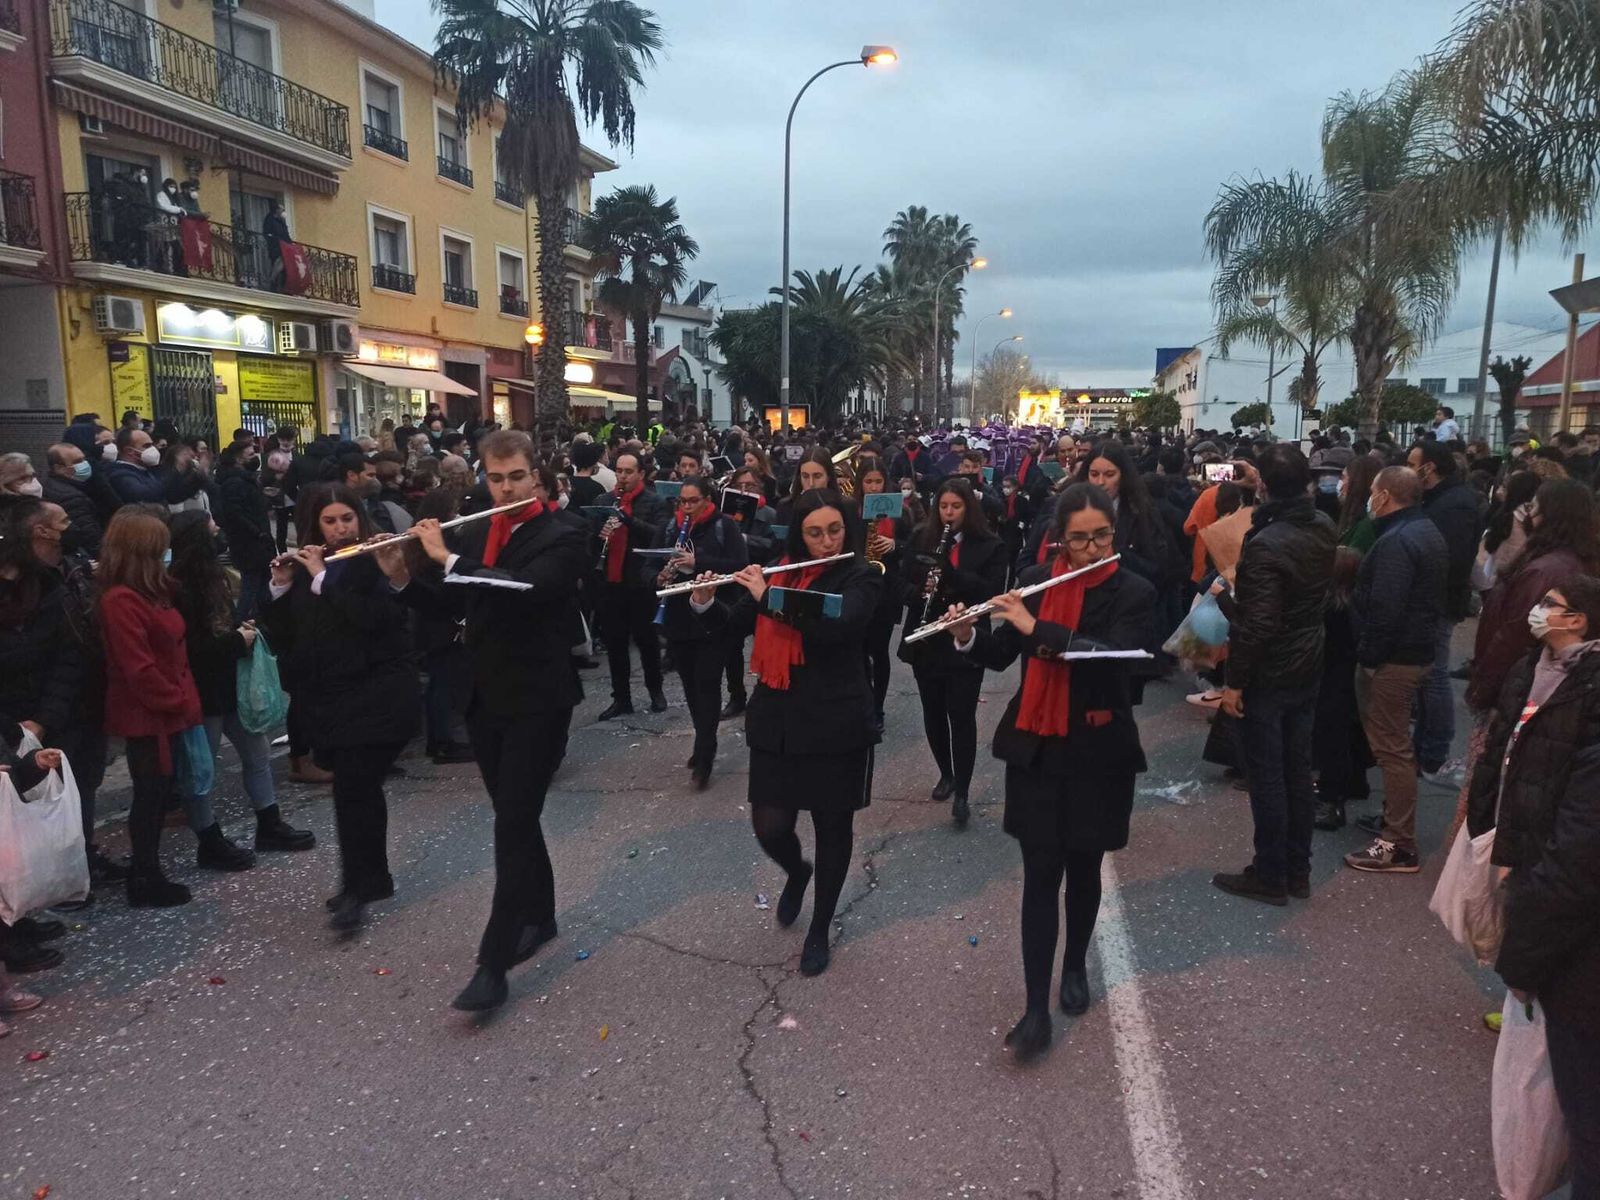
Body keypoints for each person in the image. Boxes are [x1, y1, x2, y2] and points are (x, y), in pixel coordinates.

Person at [378, 431, 590, 1012]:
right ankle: (541, 916)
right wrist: (403, 576)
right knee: (514, 817)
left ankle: (491, 964)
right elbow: (455, 606)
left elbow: (531, 589)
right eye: (495, 480)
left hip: (539, 699)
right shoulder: (478, 529)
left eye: (515, 478)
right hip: (486, 697)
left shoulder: (566, 533)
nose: (504, 489)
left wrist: (450, 559)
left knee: (512, 823)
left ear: (536, 478)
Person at [941, 483, 1154, 1059]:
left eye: (1101, 536)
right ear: (1059, 538)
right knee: (1040, 874)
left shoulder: (1134, 589)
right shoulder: (1037, 578)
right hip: (1037, 748)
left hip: (1098, 749)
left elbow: (1117, 667)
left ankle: (1076, 965)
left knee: (1083, 869)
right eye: (1078, 539)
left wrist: (1041, 632)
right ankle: (1036, 1007)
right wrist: (966, 635)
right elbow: (1002, 654)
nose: (1090, 549)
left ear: (1116, 533)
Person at [687, 489, 881, 977]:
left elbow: (839, 626)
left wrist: (768, 597)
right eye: (814, 532)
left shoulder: (860, 574)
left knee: (833, 828)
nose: (825, 540)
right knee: (770, 826)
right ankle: (797, 871)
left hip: (836, 720)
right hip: (778, 714)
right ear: (799, 533)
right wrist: (706, 602)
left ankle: (819, 929)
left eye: (834, 530)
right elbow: (736, 626)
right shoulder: (781, 567)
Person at [1472, 575, 1600, 1199]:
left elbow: (1578, 858)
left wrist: (1523, 959)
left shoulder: (1588, 692)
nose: (1538, 612)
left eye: (1550, 605)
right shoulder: (1536, 669)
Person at [263, 485, 420, 931]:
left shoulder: (373, 559)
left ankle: (356, 887)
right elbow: (290, 630)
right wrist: (281, 585)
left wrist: (320, 578)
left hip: (375, 695)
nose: (339, 529)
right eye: (330, 521)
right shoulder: (313, 564)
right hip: (330, 698)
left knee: (354, 791)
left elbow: (374, 620)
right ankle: (372, 880)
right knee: (358, 792)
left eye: (347, 519)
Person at [1212, 444, 1338, 905]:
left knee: (1269, 775)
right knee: (1297, 770)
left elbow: (1259, 624)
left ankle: (1270, 872)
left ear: (1265, 485)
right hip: (1308, 660)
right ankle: (1296, 869)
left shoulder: (1267, 541)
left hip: (1271, 670)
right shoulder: (1322, 525)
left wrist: (1235, 683)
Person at [167, 511, 314, 869]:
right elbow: (194, 646)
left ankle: (269, 821)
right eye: (212, 529)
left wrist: (239, 630)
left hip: (229, 685)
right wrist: (237, 640)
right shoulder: (180, 587)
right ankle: (209, 838)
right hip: (205, 690)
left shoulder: (211, 577)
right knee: (203, 770)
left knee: (257, 754)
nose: (220, 533)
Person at [98, 508, 204, 907]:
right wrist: (175, 700)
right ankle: (145, 874)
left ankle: (149, 870)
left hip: (163, 704)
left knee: (158, 792)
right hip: (147, 711)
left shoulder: (148, 592)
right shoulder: (121, 600)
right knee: (150, 792)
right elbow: (137, 666)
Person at [1344, 466, 1447, 873]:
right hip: (1412, 652)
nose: (1369, 497)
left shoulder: (1397, 541)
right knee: (1393, 745)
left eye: (1372, 491)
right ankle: (1393, 822)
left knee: (1391, 747)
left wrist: (1369, 658)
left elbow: (1385, 609)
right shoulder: (1423, 530)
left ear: (1384, 496)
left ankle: (1398, 841)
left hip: (1394, 659)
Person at [896, 478, 1007, 824]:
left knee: (961, 715)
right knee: (932, 709)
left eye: (955, 507)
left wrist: (951, 576)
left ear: (967, 509)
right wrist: (921, 590)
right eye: (943, 507)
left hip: (965, 638)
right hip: (927, 637)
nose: (948, 513)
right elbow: (900, 583)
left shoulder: (989, 544)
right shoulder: (920, 538)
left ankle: (963, 791)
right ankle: (946, 772)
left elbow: (991, 591)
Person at [656, 476, 748, 789]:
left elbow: (739, 565)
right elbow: (648, 564)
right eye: (683, 501)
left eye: (694, 501)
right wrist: (659, 575)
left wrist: (699, 562)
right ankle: (702, 739)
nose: (687, 507)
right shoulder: (671, 528)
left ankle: (705, 754)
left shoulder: (725, 527)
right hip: (679, 621)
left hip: (713, 621)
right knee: (691, 689)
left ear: (708, 499)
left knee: (707, 687)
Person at [1408, 438, 1479, 776]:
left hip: (1438, 603)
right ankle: (1427, 744)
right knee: (1427, 677)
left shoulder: (1455, 505)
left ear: (1429, 467)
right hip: (1432, 601)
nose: (1408, 471)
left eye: (1412, 464)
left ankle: (1435, 747)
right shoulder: (1442, 499)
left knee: (1434, 676)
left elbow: (1450, 560)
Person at [594, 451, 669, 719]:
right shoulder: (604, 500)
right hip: (611, 581)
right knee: (615, 644)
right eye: (619, 471)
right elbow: (591, 539)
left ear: (640, 474)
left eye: (628, 472)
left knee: (646, 641)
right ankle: (621, 699)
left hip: (639, 582)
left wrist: (628, 520)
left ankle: (655, 692)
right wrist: (599, 531)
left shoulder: (654, 502)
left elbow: (659, 535)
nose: (622, 476)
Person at [857, 463, 906, 731]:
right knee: (860, 650)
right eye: (868, 482)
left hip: (887, 592)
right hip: (859, 588)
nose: (874, 487)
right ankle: (863, 701)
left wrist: (894, 545)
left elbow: (914, 545)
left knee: (880, 650)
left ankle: (878, 708)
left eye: (878, 482)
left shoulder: (900, 513)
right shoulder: (853, 512)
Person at [106, 426, 205, 508]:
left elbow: (173, 496)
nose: (153, 449)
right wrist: (175, 469)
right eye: (147, 446)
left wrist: (198, 476)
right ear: (129, 451)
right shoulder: (119, 474)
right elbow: (146, 495)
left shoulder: (150, 470)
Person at [41, 442, 105, 557]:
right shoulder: (72, 497)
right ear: (59, 468)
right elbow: (90, 535)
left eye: (83, 459)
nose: (85, 464)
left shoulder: (50, 483)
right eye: (77, 462)